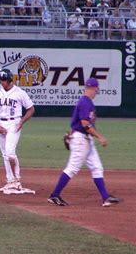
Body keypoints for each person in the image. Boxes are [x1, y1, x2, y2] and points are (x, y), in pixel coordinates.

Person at [47, 77, 121, 207]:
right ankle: (54, 195)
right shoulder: (85, 102)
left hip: (85, 139)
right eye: (96, 89)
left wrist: (70, 133)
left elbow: (76, 121)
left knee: (97, 167)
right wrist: (100, 137)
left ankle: (105, 198)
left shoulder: (85, 102)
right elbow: (85, 124)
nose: (96, 91)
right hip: (81, 140)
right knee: (72, 168)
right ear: (95, 88)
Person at [0, 69, 35, 195]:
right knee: (4, 154)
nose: (2, 82)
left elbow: (31, 109)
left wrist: (22, 121)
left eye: (4, 80)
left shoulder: (19, 93)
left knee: (10, 153)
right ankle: (10, 180)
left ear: (9, 80)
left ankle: (17, 180)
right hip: (0, 122)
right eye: (1, 80)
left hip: (14, 123)